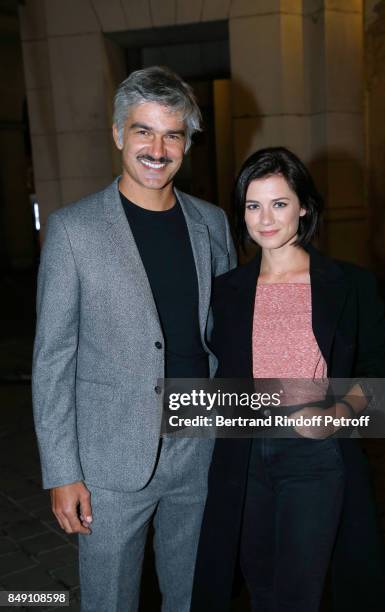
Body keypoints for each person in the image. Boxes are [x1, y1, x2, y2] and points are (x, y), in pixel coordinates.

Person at [32, 66, 236, 612]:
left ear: (187, 144)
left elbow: (229, 332)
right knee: (109, 599)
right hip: (109, 459)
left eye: (173, 134)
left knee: (194, 594)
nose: (157, 147)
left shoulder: (212, 224)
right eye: (143, 130)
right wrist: (63, 471)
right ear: (119, 133)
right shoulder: (72, 231)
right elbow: (53, 359)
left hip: (199, 440)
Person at [191, 147, 385, 612]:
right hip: (243, 457)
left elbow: (379, 369)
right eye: (253, 205)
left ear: (303, 206)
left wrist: (341, 412)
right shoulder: (226, 292)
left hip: (314, 455)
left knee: (297, 594)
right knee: (260, 588)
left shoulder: (350, 284)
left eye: (279, 203)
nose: (265, 219)